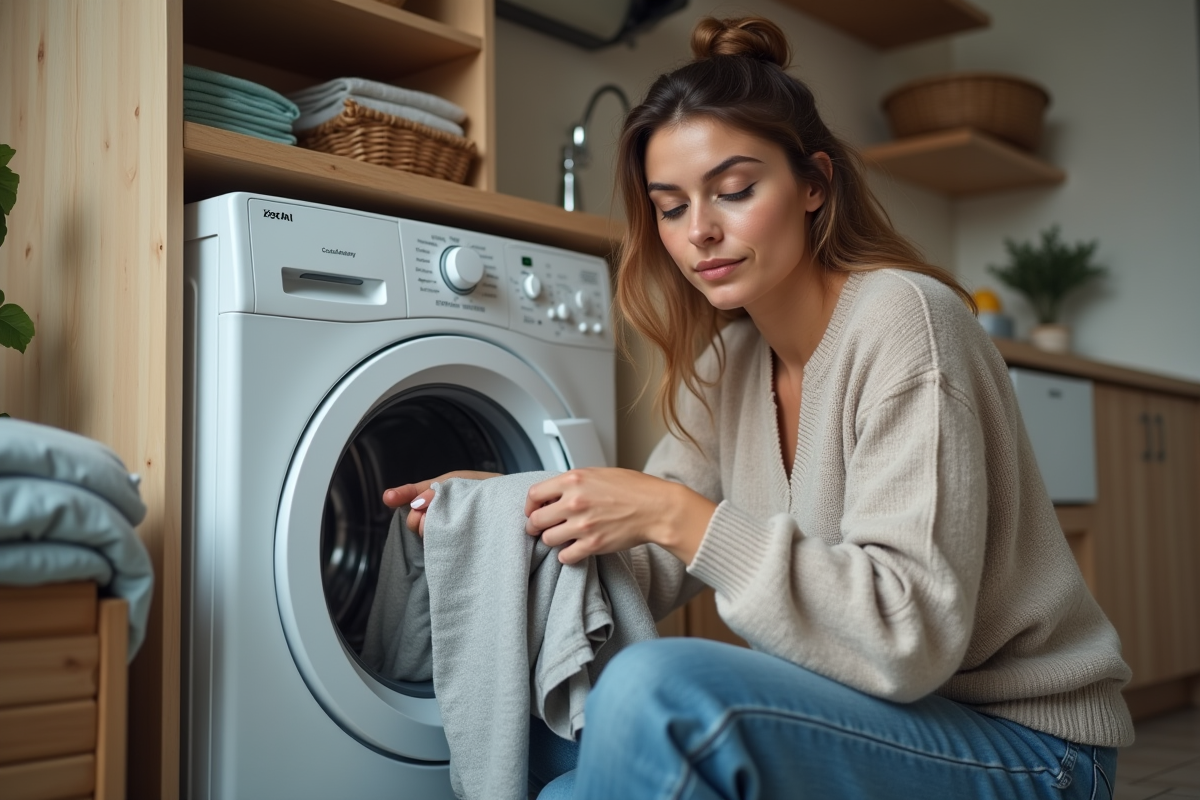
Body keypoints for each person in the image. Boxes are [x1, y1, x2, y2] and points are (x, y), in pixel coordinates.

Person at [383, 15, 1134, 800]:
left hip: (1031, 751)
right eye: (671, 208)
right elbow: (647, 564)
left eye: (735, 191)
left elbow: (909, 638)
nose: (700, 230)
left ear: (814, 183)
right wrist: (508, 509)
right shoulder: (730, 360)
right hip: (864, 721)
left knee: (652, 693)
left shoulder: (906, 321)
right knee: (552, 717)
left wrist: (677, 513)